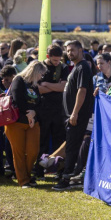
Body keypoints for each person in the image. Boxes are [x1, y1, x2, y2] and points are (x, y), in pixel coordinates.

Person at [54, 41, 94, 191]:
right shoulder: (76, 67)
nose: (69, 53)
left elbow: (82, 91)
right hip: (71, 115)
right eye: (68, 51)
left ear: (80, 50)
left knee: (71, 147)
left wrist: (75, 113)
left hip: (77, 116)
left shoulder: (83, 67)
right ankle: (69, 175)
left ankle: (67, 179)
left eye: (72, 50)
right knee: (71, 146)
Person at [3, 61, 45, 188]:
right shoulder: (18, 80)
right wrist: (29, 113)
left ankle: (27, 175)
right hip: (16, 122)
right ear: (35, 71)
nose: (41, 77)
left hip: (32, 123)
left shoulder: (35, 85)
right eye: (41, 74)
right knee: (19, 152)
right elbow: (17, 99)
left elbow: (39, 103)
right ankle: (23, 180)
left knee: (33, 151)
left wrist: (34, 112)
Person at [37, 45, 67, 178]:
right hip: (43, 110)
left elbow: (63, 87)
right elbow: (38, 89)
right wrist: (55, 87)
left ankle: (57, 170)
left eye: (58, 60)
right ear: (48, 57)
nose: (57, 63)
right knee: (41, 141)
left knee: (58, 141)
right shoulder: (40, 67)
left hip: (58, 110)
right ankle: (39, 171)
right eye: (54, 60)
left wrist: (47, 85)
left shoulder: (63, 68)